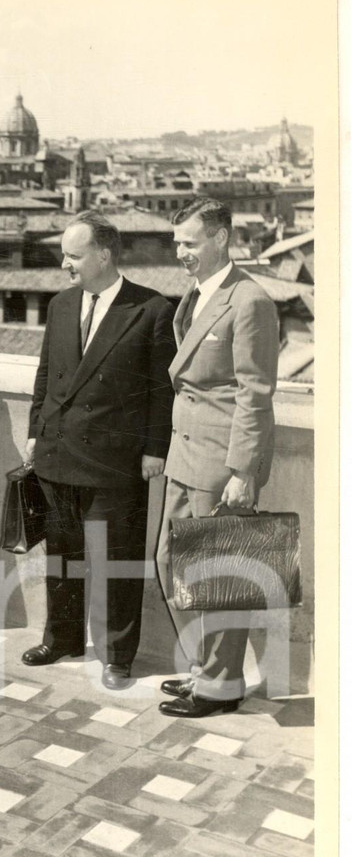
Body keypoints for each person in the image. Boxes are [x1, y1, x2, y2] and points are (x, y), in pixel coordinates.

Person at [23, 211, 176, 688]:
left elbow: (160, 390)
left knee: (118, 562)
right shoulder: (61, 305)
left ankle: (117, 656)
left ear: (104, 254)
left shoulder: (151, 309)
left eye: (73, 255)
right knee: (62, 557)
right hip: (57, 454)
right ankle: (63, 638)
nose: (64, 264)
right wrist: (34, 430)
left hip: (116, 462)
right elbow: (46, 375)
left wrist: (155, 450)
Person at [155, 198, 279, 718]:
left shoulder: (248, 300)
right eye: (178, 242)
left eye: (191, 242)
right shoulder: (199, 294)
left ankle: (221, 685)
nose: (181, 252)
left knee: (221, 576)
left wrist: (243, 472)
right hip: (184, 454)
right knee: (174, 566)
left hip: (221, 463)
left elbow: (255, 392)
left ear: (222, 238)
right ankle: (205, 669)